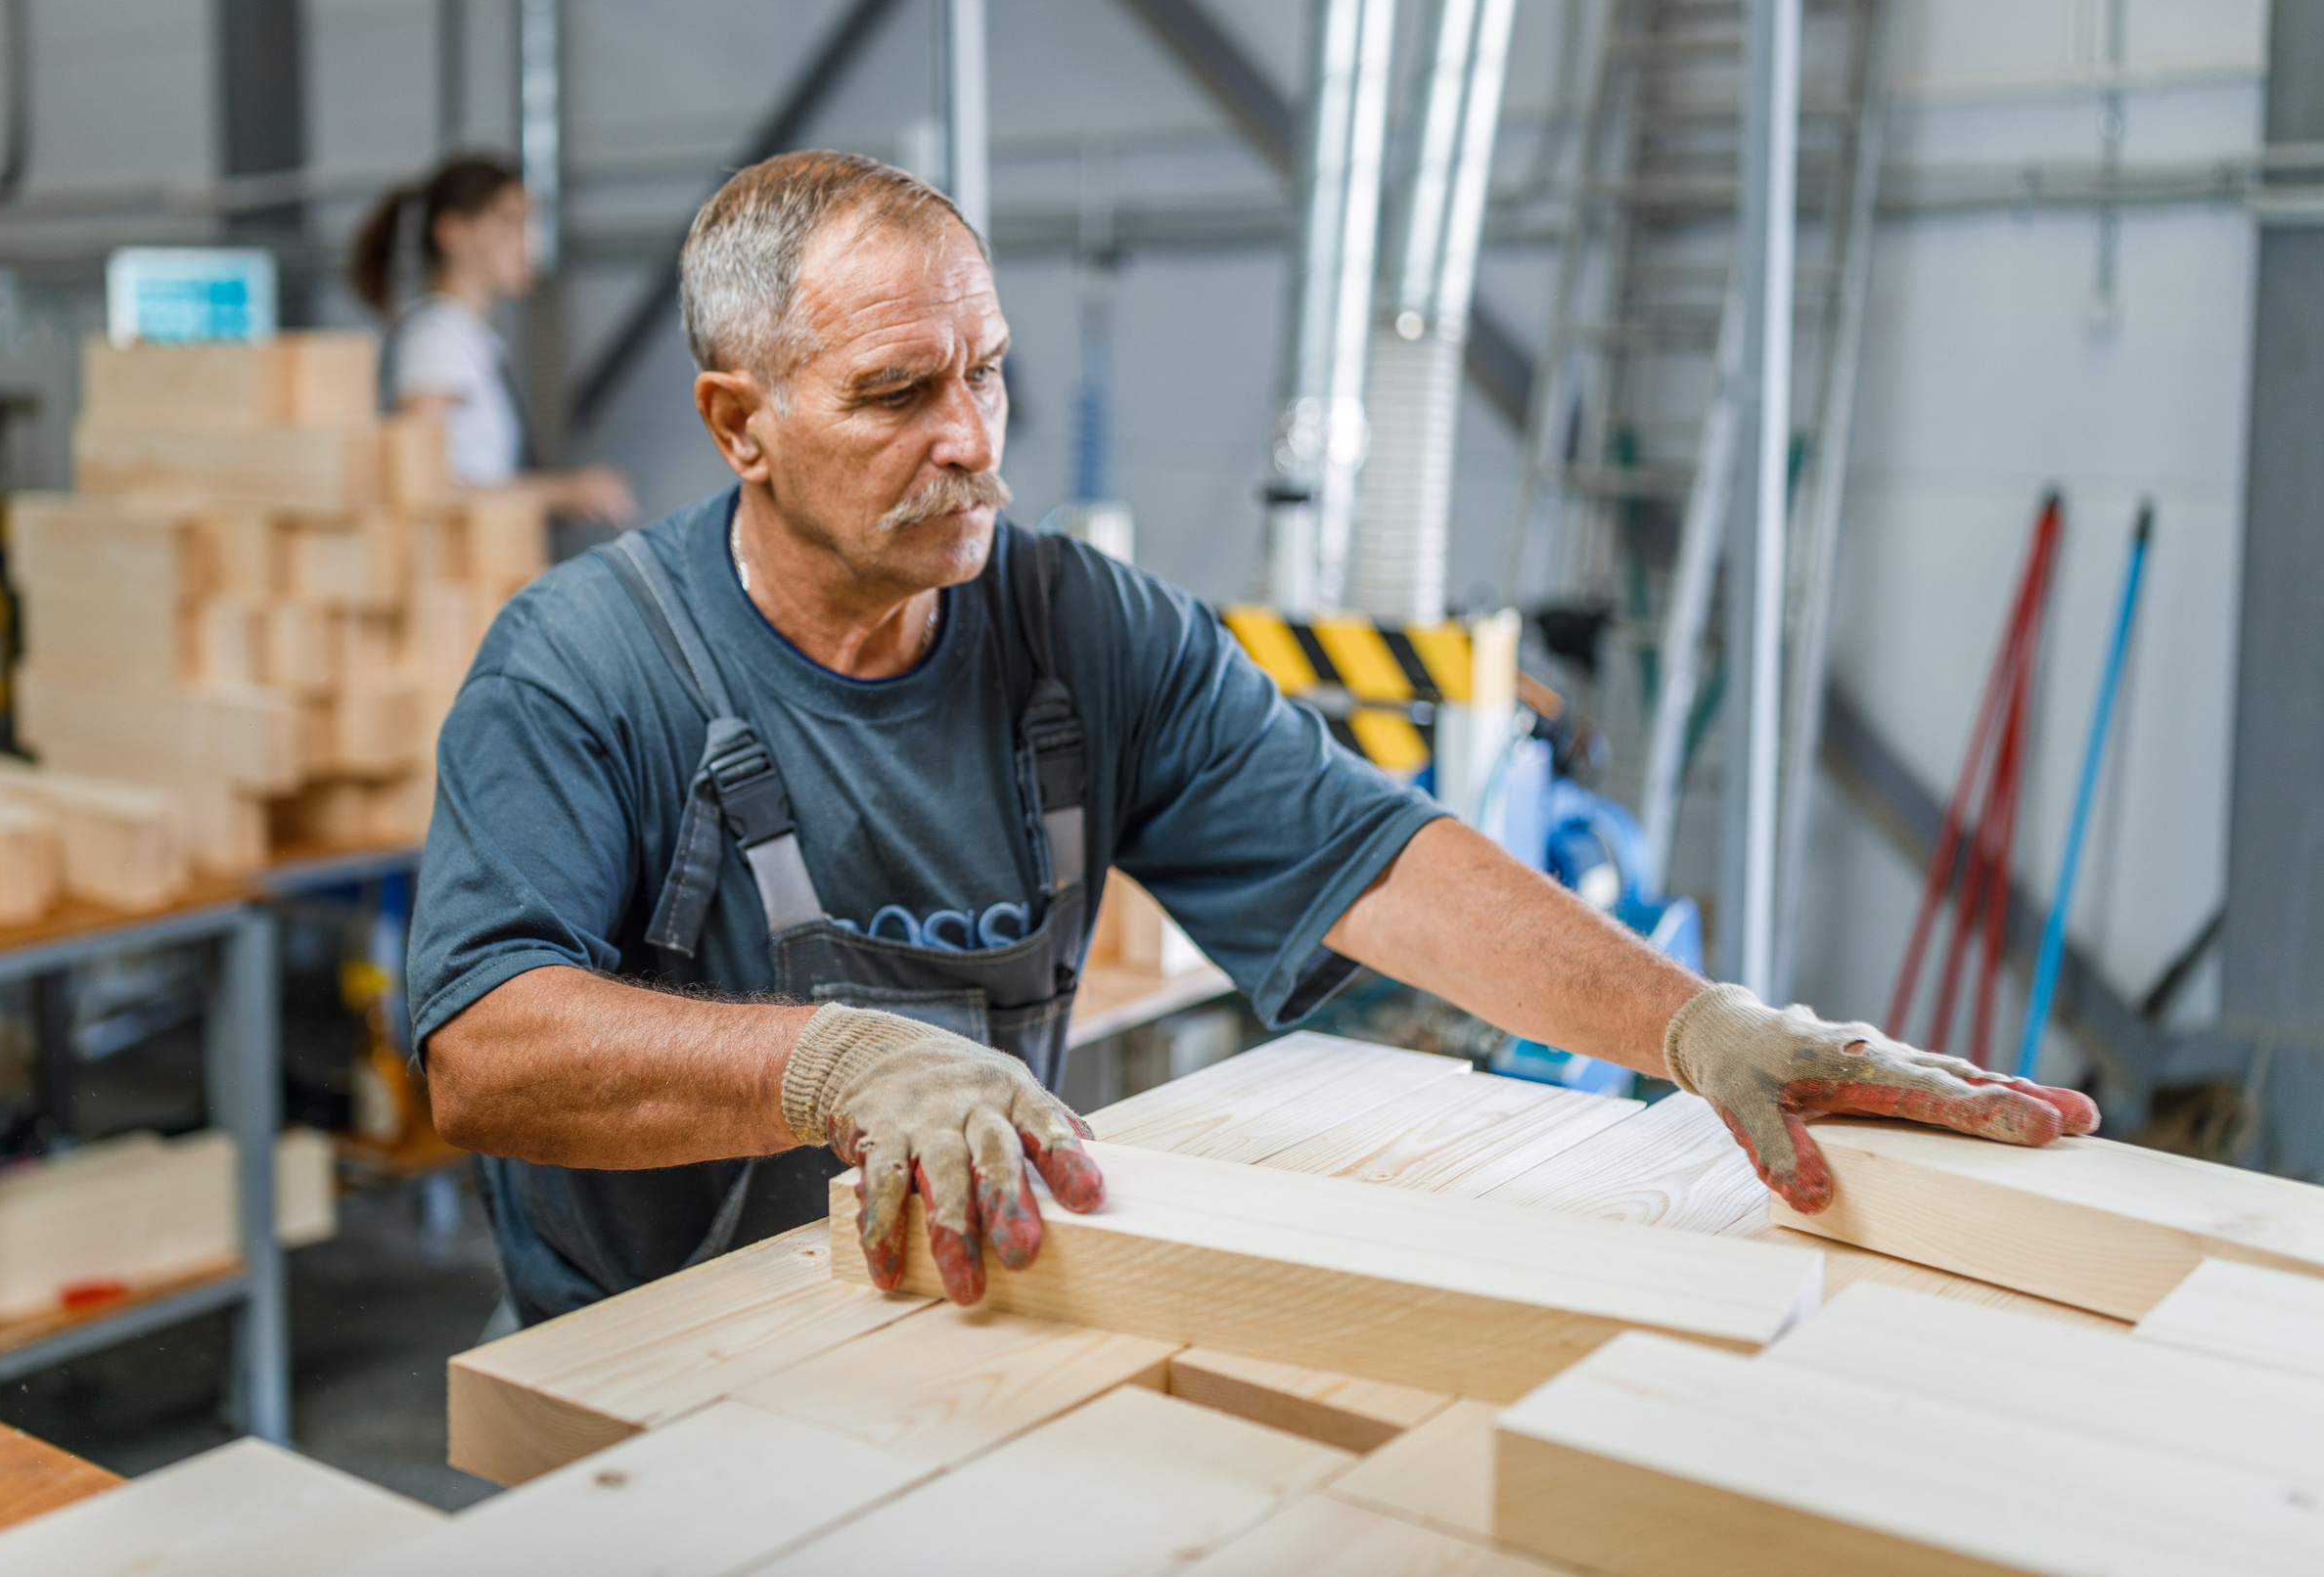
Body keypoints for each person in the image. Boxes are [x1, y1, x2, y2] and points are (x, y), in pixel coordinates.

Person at [406, 150, 2099, 1327]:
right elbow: (479, 1048)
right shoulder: (584, 669)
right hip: (657, 1370)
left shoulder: (1080, 631)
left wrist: (1694, 1022)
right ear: (740, 424)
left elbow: (1371, 854)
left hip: (946, 1320)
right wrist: (828, 1063)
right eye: (898, 394)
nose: (973, 439)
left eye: (987, 373)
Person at [348, 153, 637, 525]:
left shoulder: (469, 336)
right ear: (453, 233)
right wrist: (562, 493)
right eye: (510, 222)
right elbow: (422, 486)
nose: (528, 243)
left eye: (529, 224)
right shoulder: (440, 340)